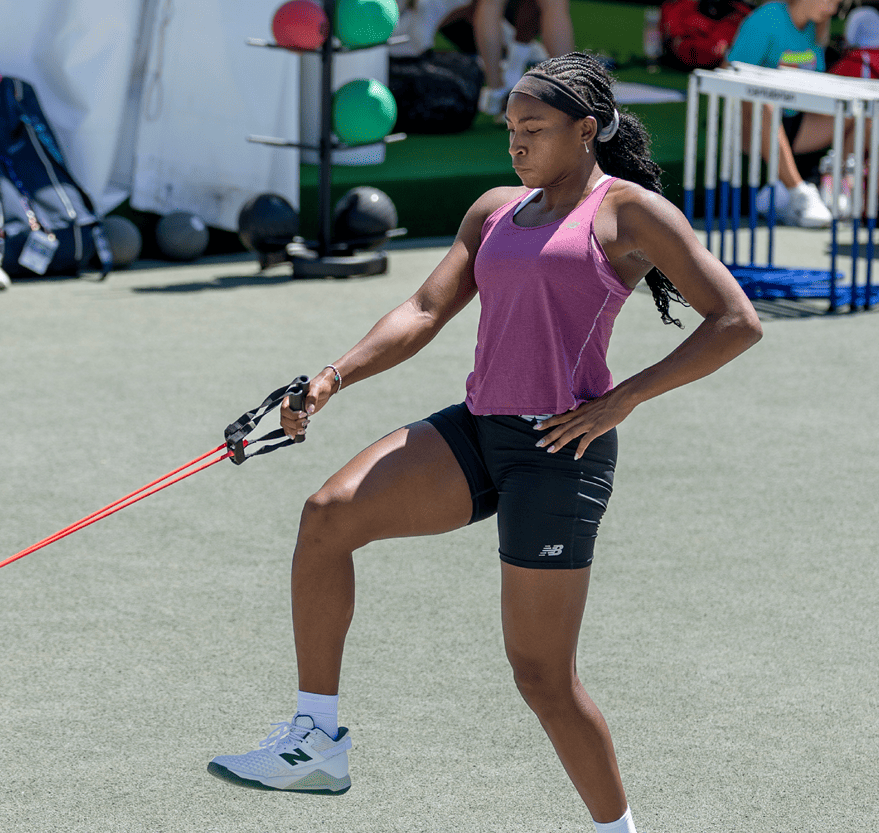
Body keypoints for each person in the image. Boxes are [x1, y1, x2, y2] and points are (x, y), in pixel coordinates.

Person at [205, 52, 763, 833]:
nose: (517, 145)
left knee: (541, 675)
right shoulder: (497, 209)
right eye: (509, 130)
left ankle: (618, 830)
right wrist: (333, 376)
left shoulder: (627, 214)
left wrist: (623, 399)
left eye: (533, 129)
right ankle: (315, 740)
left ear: (586, 130)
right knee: (327, 515)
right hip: (477, 428)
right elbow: (426, 308)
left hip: (559, 451)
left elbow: (735, 320)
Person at [723, 0, 842, 228]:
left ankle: (836, 188)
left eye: (837, 3)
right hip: (752, 126)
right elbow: (732, 73)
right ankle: (798, 192)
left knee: (855, 114)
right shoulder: (767, 18)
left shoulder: (814, 27)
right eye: (829, 0)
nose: (833, 9)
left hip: (794, 122)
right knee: (762, 102)